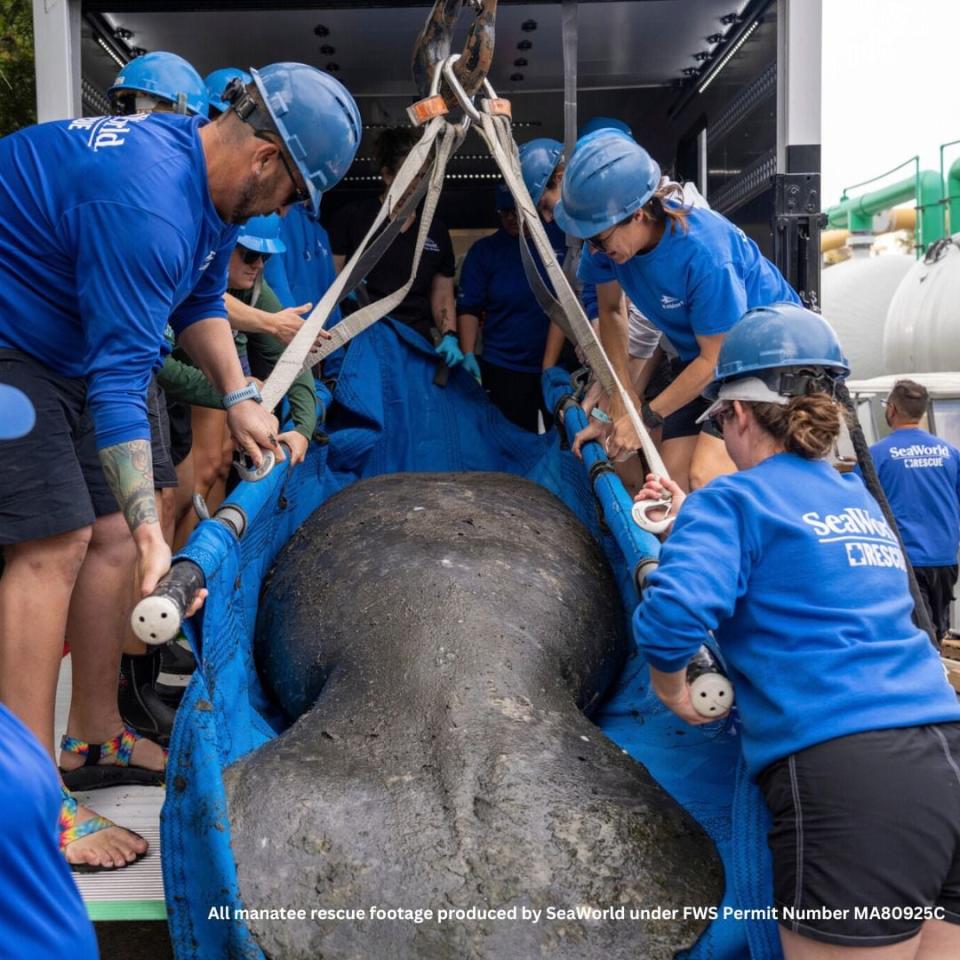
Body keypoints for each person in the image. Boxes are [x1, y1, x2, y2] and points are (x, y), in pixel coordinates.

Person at [0, 62, 361, 871]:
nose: (285, 213)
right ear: (267, 156)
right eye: (292, 194)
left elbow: (198, 302)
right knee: (54, 544)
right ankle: (21, 804)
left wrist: (239, 396)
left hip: (52, 345)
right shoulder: (148, 200)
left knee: (115, 542)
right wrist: (153, 527)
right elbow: (123, 379)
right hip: (8, 341)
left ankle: (93, 738)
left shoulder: (204, 184)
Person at [633, 303, 960, 959]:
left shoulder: (734, 501)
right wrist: (685, 525)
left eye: (719, 424)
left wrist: (669, 685)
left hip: (852, 779)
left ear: (741, 413)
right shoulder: (854, 499)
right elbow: (804, 572)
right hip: (945, 757)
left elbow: (672, 619)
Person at [554, 132, 800, 490]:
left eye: (598, 238)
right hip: (704, 357)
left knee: (706, 476)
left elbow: (716, 357)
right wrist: (623, 401)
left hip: (768, 360)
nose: (593, 250)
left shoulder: (704, 252)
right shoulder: (609, 250)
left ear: (637, 215)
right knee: (670, 481)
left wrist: (645, 417)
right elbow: (611, 312)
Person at [330, 127, 458, 358]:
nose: (418, 184)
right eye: (411, 174)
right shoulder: (352, 218)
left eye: (423, 176)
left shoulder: (435, 230)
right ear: (387, 175)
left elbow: (442, 293)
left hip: (416, 344)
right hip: (364, 341)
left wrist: (449, 335)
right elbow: (330, 278)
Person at [456, 184, 566, 431]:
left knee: (565, 443)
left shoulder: (562, 240)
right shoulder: (485, 252)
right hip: (505, 368)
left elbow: (568, 303)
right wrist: (468, 354)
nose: (510, 218)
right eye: (504, 212)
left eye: (515, 211)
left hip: (557, 366)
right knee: (511, 443)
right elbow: (469, 308)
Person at [866, 379, 960, 639]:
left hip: (904, 560)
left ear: (892, 409)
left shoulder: (876, 455)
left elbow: (856, 503)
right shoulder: (950, 453)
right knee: (936, 631)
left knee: (915, 635)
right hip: (945, 559)